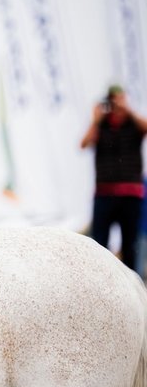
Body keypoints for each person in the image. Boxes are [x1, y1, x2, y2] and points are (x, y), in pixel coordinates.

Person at [80, 84, 147, 271]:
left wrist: (128, 111)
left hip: (130, 193)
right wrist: (95, 120)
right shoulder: (101, 125)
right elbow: (83, 144)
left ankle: (135, 287)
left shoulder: (133, 124)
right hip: (105, 193)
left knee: (130, 246)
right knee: (99, 245)